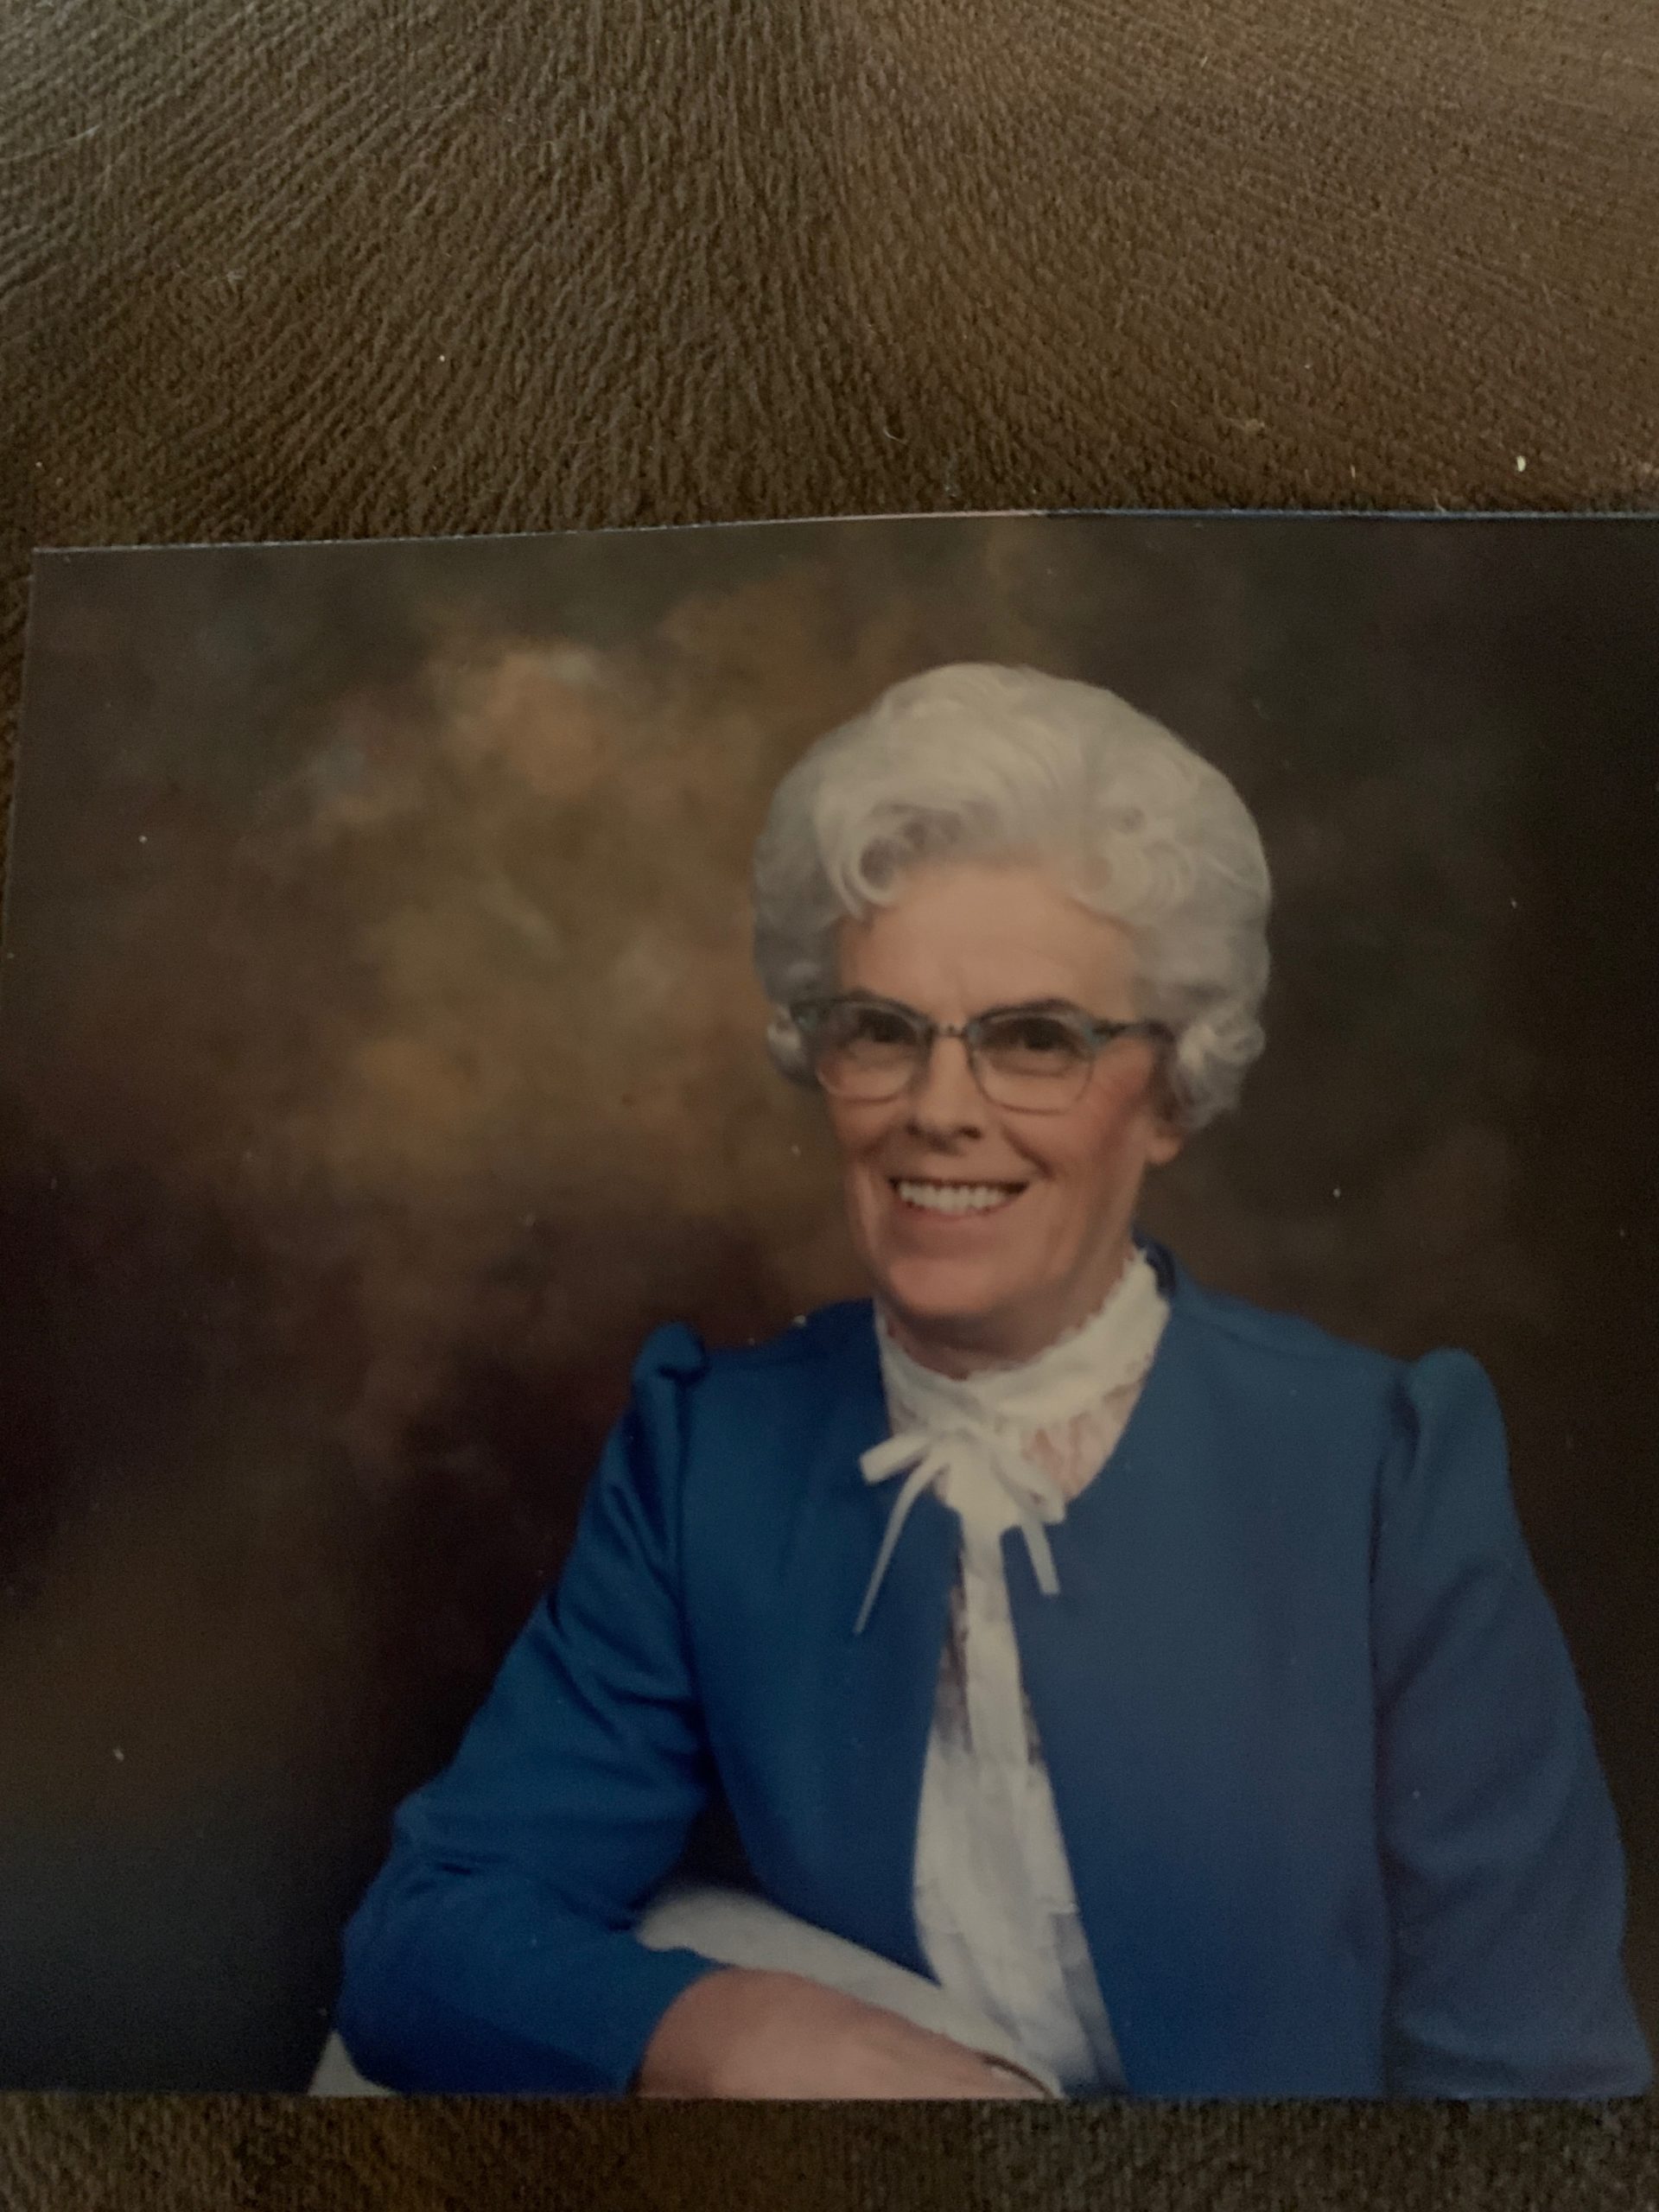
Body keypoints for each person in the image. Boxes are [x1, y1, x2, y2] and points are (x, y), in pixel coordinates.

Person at [334, 663, 1651, 2100]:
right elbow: (424, 1939)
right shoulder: (709, 1454)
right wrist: (738, 2035)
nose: (938, 1110)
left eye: (1037, 1040)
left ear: (1170, 1091)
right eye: (881, 1031)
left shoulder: (1384, 1476)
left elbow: (1537, 2102)